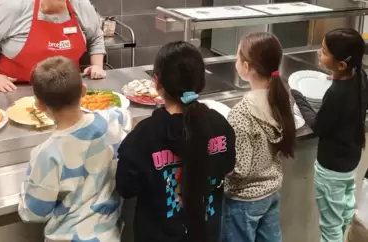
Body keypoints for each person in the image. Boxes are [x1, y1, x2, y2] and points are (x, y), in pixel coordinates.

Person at [116, 41, 236, 242]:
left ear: (157, 83)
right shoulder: (219, 124)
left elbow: (126, 187)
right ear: (201, 82)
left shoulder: (145, 135)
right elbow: (229, 169)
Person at [18, 56, 131, 241]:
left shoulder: (46, 154)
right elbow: (124, 116)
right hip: (109, 236)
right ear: (84, 91)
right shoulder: (114, 119)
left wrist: (24, 189)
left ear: (39, 105)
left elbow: (35, 213)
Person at [291, 28, 368, 242]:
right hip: (350, 162)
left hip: (331, 170)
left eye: (324, 51)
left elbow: (318, 126)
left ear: (342, 64)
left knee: (330, 226)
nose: (318, 53)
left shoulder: (336, 94)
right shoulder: (360, 75)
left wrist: (298, 96)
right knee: (344, 210)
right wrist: (335, 76)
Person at [223, 32, 296, 242]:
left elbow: (240, 169)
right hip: (271, 191)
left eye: (238, 57)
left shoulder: (241, 113)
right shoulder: (281, 99)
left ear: (245, 67)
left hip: (244, 199)